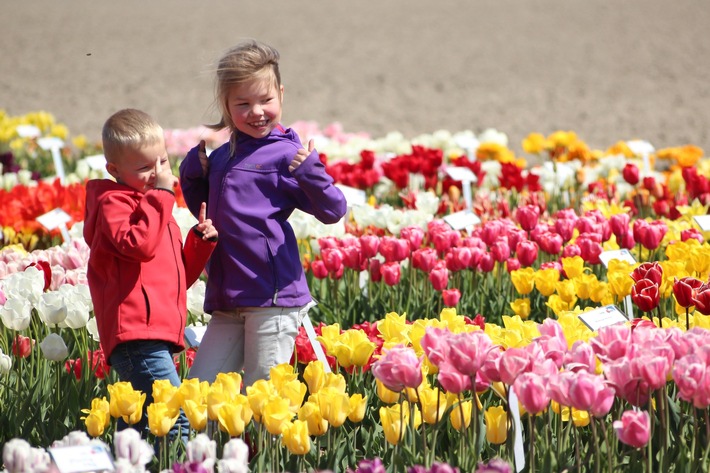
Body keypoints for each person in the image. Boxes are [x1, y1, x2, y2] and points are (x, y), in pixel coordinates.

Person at [179, 40, 347, 388]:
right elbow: (209, 214)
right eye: (243, 103)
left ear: (281, 94)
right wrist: (193, 178)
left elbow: (333, 210)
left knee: (261, 395)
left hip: (272, 299)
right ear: (226, 105)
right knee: (201, 391)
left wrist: (312, 173)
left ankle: (265, 446)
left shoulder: (287, 156)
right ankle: (208, 446)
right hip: (228, 298)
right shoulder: (224, 155)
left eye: (265, 100)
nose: (256, 111)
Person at [83, 108, 218, 439]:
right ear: (114, 170)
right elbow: (138, 245)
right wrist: (160, 195)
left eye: (161, 163)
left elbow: (177, 278)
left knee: (144, 427)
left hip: (154, 333)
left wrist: (199, 242)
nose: (156, 173)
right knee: (177, 419)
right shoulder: (114, 204)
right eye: (144, 168)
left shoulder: (153, 208)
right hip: (135, 336)